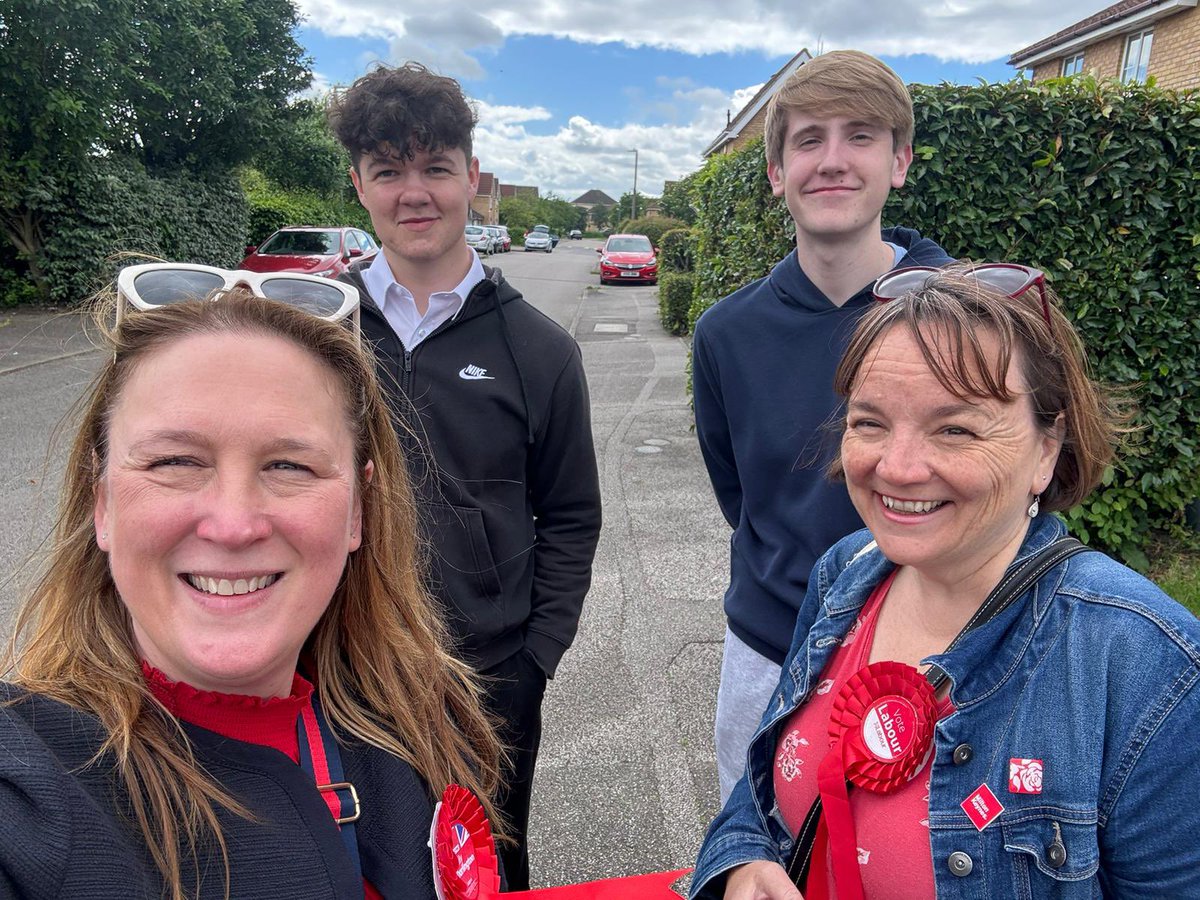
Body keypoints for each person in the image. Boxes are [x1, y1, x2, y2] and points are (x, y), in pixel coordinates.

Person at [690, 263, 1200, 899]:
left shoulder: (1150, 671)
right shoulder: (843, 575)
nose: (897, 468)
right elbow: (759, 792)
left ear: (1048, 447)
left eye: (955, 429)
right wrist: (744, 861)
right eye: (869, 422)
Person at [0, 277, 504, 899]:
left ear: (357, 511)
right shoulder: (28, 783)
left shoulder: (417, 721)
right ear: (102, 504)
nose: (235, 525)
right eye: (175, 462)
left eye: (288, 466)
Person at [328, 62, 602, 890]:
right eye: (389, 170)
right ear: (359, 185)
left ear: (471, 179)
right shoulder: (319, 336)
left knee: (486, 869)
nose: (415, 192)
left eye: (436, 168)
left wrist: (536, 658)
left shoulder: (540, 350)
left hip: (487, 679)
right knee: (350, 870)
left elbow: (571, 516)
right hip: (338, 669)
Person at [691, 49, 954, 803]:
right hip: (769, 653)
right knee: (754, 857)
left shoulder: (969, 318)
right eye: (808, 140)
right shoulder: (725, 333)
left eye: (860, 136)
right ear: (776, 173)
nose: (831, 161)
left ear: (900, 161)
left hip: (933, 651)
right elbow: (741, 497)